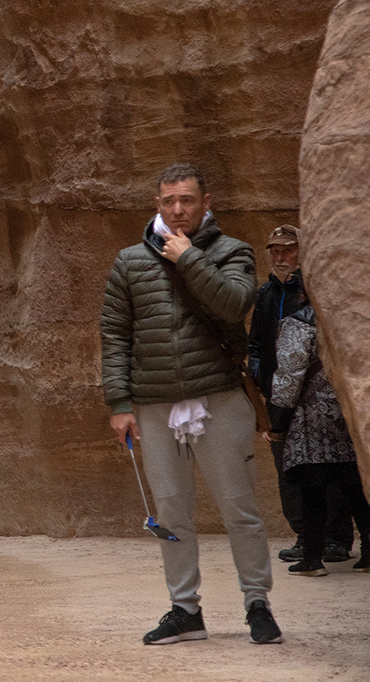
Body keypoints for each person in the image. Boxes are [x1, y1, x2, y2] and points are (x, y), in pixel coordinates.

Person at [101, 164, 279, 645]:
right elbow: (115, 336)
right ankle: (185, 610)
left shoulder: (231, 251)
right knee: (171, 512)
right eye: (167, 202)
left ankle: (257, 603)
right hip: (154, 403)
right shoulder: (129, 262)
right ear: (157, 204)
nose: (177, 210)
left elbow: (235, 304)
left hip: (218, 396)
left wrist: (189, 259)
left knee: (239, 508)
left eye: (186, 200)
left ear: (205, 201)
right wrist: (119, 402)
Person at [250, 224, 353, 563]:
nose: (280, 257)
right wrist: (259, 378)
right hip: (279, 395)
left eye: (288, 250)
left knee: (330, 467)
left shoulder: (314, 290)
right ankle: (304, 536)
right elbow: (257, 344)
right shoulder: (266, 294)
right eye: (275, 251)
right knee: (289, 470)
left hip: (319, 398)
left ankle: (336, 538)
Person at [269, 301, 370, 576]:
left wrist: (277, 420)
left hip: (312, 416)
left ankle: (312, 558)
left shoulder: (299, 321)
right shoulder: (352, 315)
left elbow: (289, 376)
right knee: (354, 484)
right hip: (350, 409)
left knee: (312, 489)